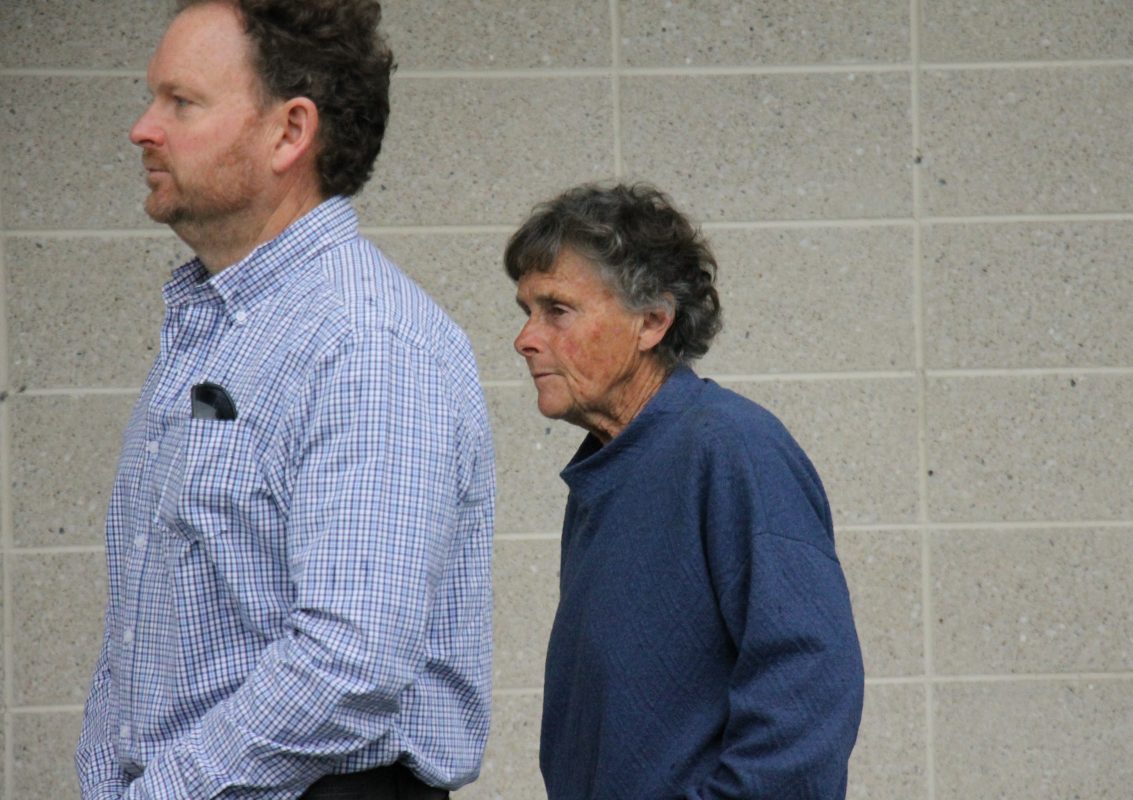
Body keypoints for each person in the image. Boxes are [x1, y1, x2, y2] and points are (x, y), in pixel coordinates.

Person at [76, 1, 495, 798]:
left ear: (289, 132)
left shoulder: (368, 343)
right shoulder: (215, 324)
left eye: (181, 101)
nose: (142, 128)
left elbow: (350, 659)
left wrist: (160, 793)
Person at [505, 183, 864, 799]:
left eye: (557, 310)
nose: (526, 339)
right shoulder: (606, 470)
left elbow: (808, 692)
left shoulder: (730, 447)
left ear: (652, 321)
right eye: (526, 311)